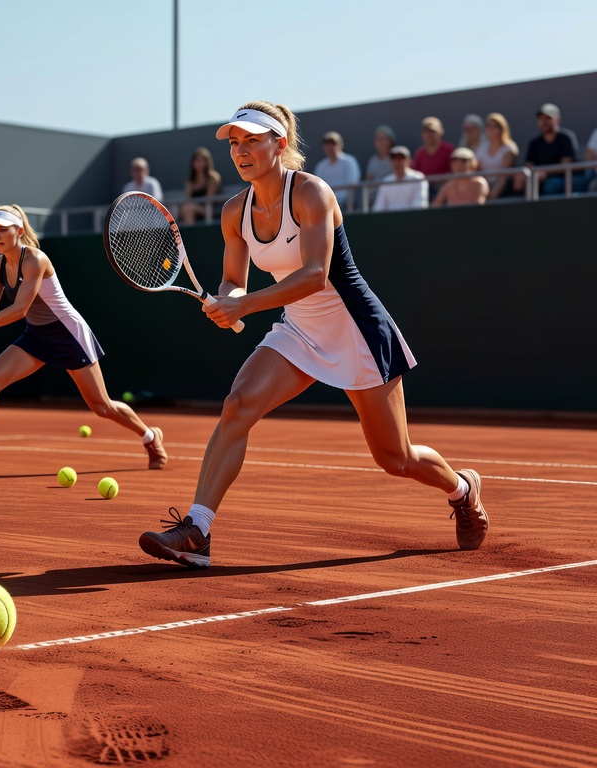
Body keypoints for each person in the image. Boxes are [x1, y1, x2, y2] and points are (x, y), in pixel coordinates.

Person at [137, 100, 488, 569]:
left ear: (279, 144)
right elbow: (232, 278)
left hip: (356, 329)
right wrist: (228, 298)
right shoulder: (233, 212)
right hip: (299, 329)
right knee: (238, 405)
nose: (241, 152)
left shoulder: (311, 194)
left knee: (395, 458)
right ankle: (197, 529)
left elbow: (315, 276)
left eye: (252, 141)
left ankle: (462, 489)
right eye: (234, 144)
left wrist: (244, 303)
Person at [0, 205, 168, 476]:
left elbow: (20, 309)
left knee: (102, 406)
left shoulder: (35, 260)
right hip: (37, 335)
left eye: (3, 230)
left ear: (18, 231)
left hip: (68, 334)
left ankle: (150, 436)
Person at [522, 103, 579, 197]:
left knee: (552, 184)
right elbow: (528, 165)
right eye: (541, 119)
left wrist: (544, 173)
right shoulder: (534, 143)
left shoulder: (566, 138)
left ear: (557, 120)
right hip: (538, 180)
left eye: (548, 119)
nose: (544, 122)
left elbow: (565, 165)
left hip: (562, 179)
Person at [312, 131, 360, 208]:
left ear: (340, 145)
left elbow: (353, 184)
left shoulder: (349, 162)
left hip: (346, 206)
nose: (330, 147)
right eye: (327, 144)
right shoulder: (321, 166)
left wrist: (335, 202)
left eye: (333, 144)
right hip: (325, 205)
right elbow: (316, 187)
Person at [477, 112, 519, 200]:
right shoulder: (482, 146)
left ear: (502, 128)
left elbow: (502, 177)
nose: (490, 129)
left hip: (503, 187)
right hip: (485, 186)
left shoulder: (509, 148)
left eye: (494, 126)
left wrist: (492, 196)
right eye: (488, 126)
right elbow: (478, 170)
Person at [372, 146, 428, 211]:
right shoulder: (386, 181)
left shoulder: (418, 178)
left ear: (409, 161)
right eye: (394, 159)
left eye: (401, 158)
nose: (397, 162)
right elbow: (379, 208)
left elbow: (419, 205)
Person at [179, 148, 221, 225]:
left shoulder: (213, 177)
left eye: (202, 160)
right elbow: (187, 199)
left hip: (210, 210)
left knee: (188, 208)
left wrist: (193, 206)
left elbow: (209, 200)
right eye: (197, 160)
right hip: (192, 210)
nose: (199, 163)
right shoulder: (190, 181)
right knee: (180, 209)